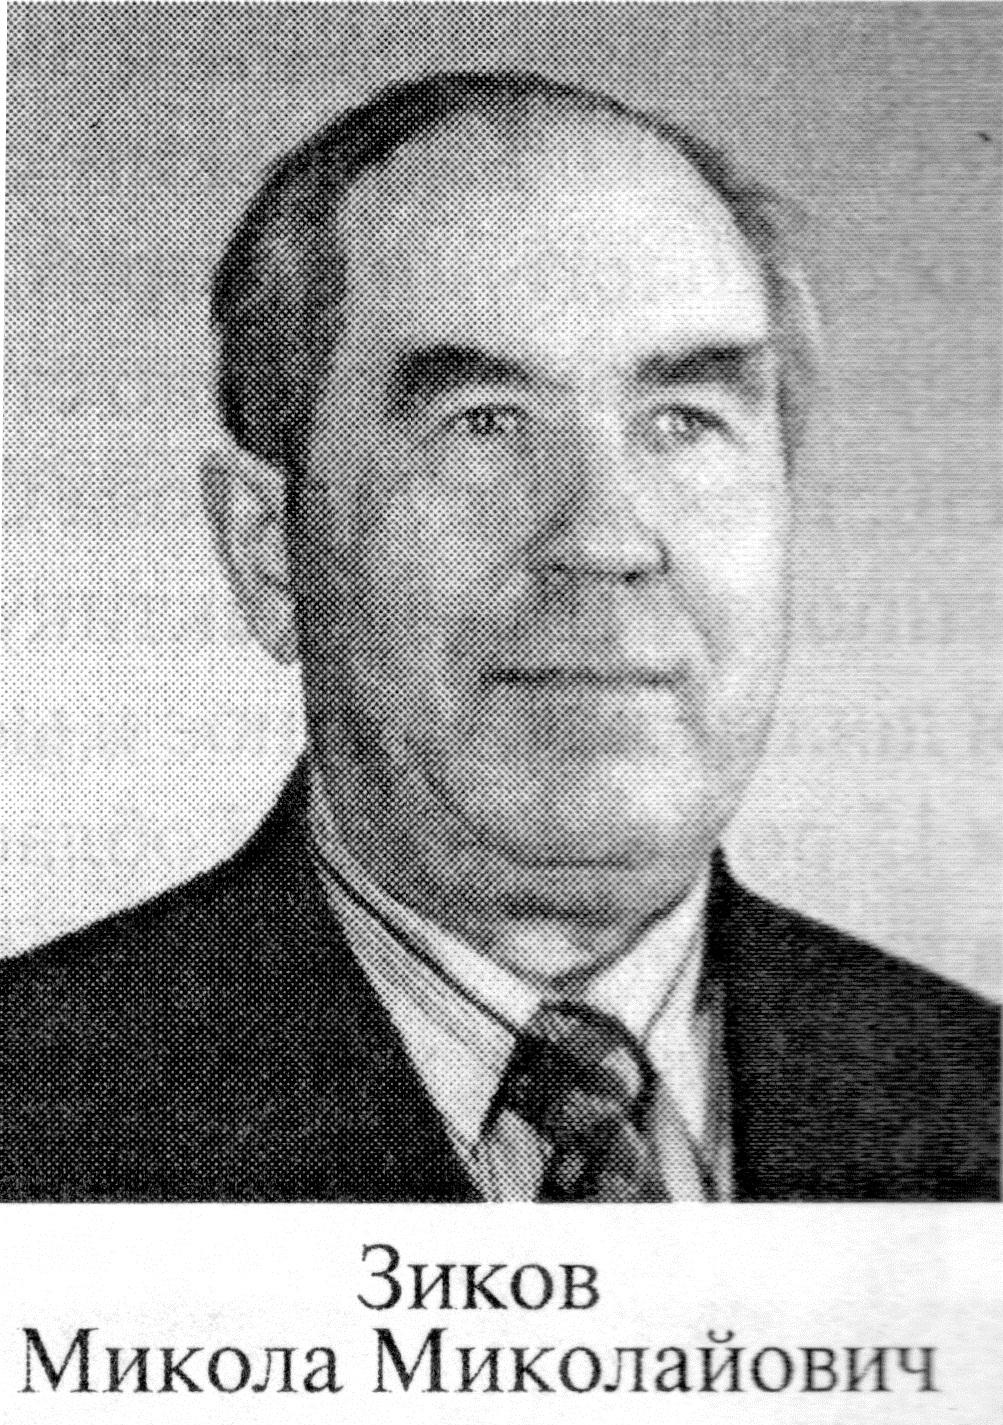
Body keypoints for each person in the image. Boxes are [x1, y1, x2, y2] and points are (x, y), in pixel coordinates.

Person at [2, 71, 997, 1203]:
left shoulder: (977, 1102)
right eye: (484, 424)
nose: (605, 539)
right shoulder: (37, 1112)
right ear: (271, 549)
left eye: (685, 421)